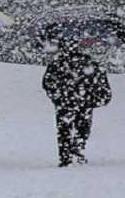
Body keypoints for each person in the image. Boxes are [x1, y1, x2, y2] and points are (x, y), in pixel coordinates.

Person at [42, 37, 110, 167]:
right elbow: (101, 84)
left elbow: (47, 83)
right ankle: (77, 148)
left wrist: (57, 96)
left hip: (65, 103)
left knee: (64, 130)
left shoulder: (57, 64)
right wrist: (94, 99)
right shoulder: (89, 64)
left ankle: (65, 156)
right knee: (83, 127)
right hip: (84, 103)